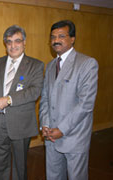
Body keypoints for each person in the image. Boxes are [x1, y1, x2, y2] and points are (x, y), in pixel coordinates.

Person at [39, 20, 99, 180]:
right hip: (51, 136)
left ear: (72, 39)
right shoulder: (51, 65)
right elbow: (45, 98)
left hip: (74, 137)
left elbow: (85, 104)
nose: (55, 40)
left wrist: (62, 129)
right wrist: (45, 124)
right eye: (52, 37)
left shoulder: (87, 64)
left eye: (61, 36)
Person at [0, 25, 44, 180]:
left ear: (24, 43)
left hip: (21, 124)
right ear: (5, 44)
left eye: (17, 41)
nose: (13, 45)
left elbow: (35, 91)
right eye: (9, 42)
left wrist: (8, 100)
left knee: (20, 165)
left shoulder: (36, 65)